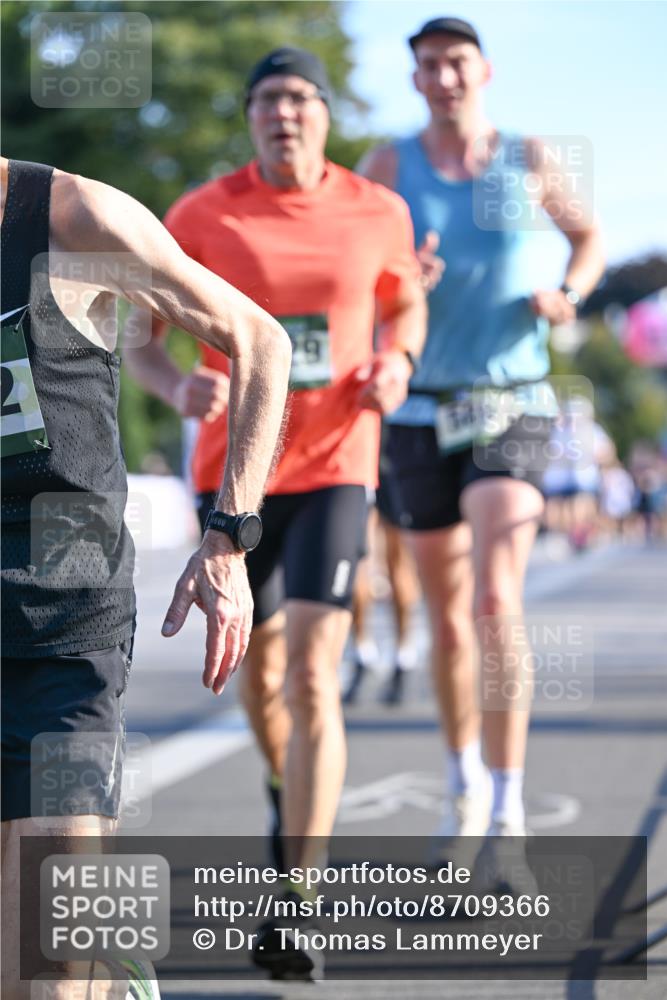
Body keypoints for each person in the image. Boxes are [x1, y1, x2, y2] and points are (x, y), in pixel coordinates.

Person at [123, 47, 425, 979]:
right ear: (249, 117)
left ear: (324, 115)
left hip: (338, 466)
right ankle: (279, 779)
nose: (283, 114)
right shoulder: (201, 214)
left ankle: (300, 899)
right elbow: (140, 335)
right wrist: (175, 385)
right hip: (236, 482)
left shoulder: (378, 210)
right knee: (257, 677)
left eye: (300, 98)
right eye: (267, 100)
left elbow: (403, 307)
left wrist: (397, 363)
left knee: (309, 670)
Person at [0, 156, 291, 1000]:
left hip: (65, 618)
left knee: (46, 969)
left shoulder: (71, 218)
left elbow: (258, 341)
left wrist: (230, 538)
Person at [359, 17, 605, 859]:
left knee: (496, 601)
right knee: (448, 617)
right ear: (416, 78)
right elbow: (354, 272)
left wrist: (568, 290)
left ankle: (508, 808)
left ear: (483, 71)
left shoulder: (524, 156)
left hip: (510, 400)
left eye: (456, 62)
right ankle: (463, 785)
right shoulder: (388, 166)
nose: (444, 76)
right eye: (428, 65)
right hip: (420, 406)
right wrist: (399, 280)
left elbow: (589, 235)